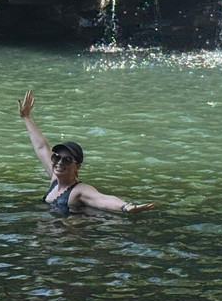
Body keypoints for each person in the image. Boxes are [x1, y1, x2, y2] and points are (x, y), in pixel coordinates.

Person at [18, 89, 155, 215]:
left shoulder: (80, 190)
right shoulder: (55, 180)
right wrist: (27, 117)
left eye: (67, 160)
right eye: (56, 157)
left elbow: (102, 199)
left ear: (77, 165)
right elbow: (42, 147)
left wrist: (125, 206)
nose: (59, 162)